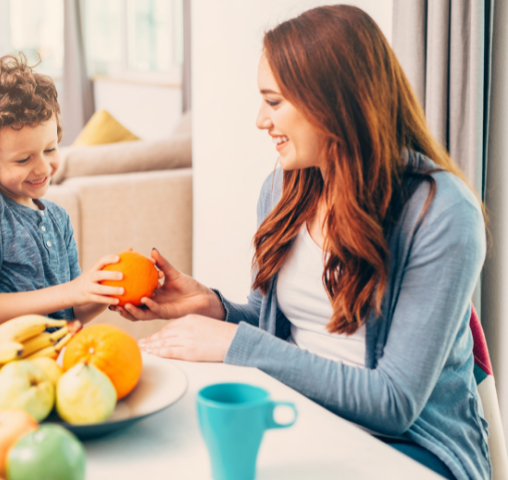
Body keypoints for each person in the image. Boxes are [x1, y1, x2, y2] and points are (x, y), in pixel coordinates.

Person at [114, 6, 489, 480]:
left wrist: (237, 343)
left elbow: (395, 404)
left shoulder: (440, 212)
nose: (259, 120)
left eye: (273, 102)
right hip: (304, 417)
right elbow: (278, 330)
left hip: (412, 450)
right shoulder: (283, 191)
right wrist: (216, 309)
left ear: (333, 101)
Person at [0, 54, 122, 336]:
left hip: (47, 357)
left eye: (50, 149)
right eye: (23, 159)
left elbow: (71, 311)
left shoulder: (58, 218)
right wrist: (72, 291)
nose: (43, 167)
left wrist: (105, 293)